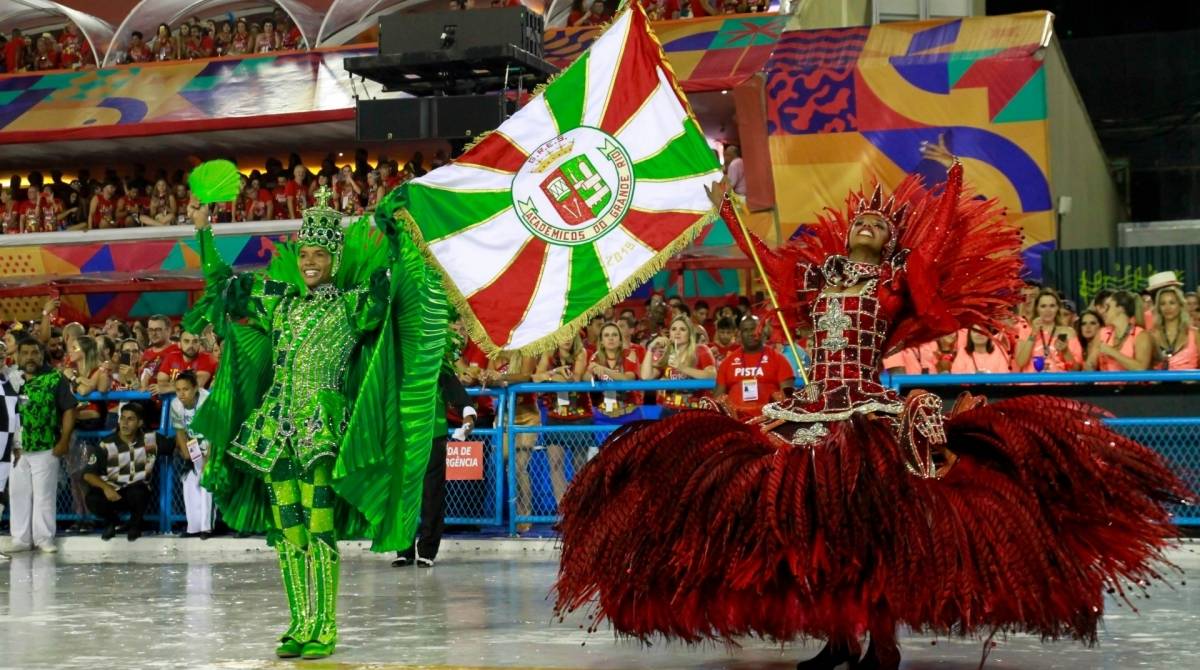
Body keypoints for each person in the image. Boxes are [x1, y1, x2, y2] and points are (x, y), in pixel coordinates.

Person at [554, 168, 1187, 670]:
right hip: (811, 408)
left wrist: (949, 194)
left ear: (890, 243)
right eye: (864, 220)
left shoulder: (893, 281)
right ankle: (837, 642)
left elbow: (930, 273)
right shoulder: (820, 275)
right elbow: (769, 263)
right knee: (815, 534)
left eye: (881, 226)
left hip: (863, 411)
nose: (868, 225)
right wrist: (729, 211)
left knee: (872, 532)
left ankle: (881, 644)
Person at [185, 179, 448, 659]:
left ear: (334, 260)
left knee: (318, 526)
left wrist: (395, 231)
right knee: (289, 531)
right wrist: (204, 232)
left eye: (319, 256)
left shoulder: (352, 306)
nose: (309, 262)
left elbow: (394, 287)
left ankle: (325, 625)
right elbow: (224, 287)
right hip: (275, 428)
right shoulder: (278, 301)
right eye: (304, 253)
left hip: (321, 430)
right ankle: (299, 621)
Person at [393, 329, 477, 568]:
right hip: (405, 438)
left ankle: (427, 550)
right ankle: (403, 548)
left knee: (432, 494)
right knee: (403, 495)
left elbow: (459, 397)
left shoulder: (439, 366)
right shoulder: (396, 365)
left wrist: (467, 418)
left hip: (433, 436)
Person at [8, 337, 76, 553]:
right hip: (15, 449)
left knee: (44, 495)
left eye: (34, 353)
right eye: (25, 353)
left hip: (47, 446)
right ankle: (20, 539)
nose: (30, 357)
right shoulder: (9, 379)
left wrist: (64, 440)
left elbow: (69, 409)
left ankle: (44, 538)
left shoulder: (55, 378)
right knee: (17, 494)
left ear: (41, 354)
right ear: (17, 355)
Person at [82, 403, 166, 541]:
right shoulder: (106, 443)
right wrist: (106, 488)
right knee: (92, 498)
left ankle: (135, 524)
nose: (125, 423)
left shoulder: (151, 439)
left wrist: (197, 453)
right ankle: (111, 522)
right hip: (112, 492)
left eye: (130, 419)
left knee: (140, 491)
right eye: (122, 418)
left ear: (140, 423)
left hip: (135, 492)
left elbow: (175, 444)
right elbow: (88, 474)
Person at [714, 315, 793, 420]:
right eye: (745, 330)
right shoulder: (727, 362)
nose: (751, 333)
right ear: (740, 334)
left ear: (762, 330)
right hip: (736, 421)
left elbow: (787, 400)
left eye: (754, 329)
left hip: (769, 420)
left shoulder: (779, 359)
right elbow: (717, 400)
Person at [640, 315, 716, 415]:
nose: (677, 332)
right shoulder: (666, 353)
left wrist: (682, 367)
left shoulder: (701, 350)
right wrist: (650, 348)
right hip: (669, 410)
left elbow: (711, 375)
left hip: (695, 410)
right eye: (674, 329)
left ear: (689, 334)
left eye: (682, 329)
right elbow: (646, 377)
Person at [170, 371, 214, 538]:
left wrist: (208, 460)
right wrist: (186, 453)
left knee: (206, 481)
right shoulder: (175, 404)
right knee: (189, 482)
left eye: (186, 389)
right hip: (193, 444)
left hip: (211, 444)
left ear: (196, 388)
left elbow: (215, 433)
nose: (181, 394)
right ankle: (193, 527)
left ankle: (206, 527)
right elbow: (180, 431)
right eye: (178, 390)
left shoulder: (208, 402)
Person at [1013, 288, 1082, 372]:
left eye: (1052, 306)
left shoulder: (1068, 332)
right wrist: (1033, 334)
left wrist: (1065, 351)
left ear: (1057, 308)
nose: (1048, 310)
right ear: (1037, 308)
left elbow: (1076, 369)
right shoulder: (1026, 330)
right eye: (1043, 306)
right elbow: (1020, 362)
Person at [1086, 290, 1152, 372]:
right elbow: (1090, 365)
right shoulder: (1102, 333)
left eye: (1108, 307)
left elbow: (1141, 369)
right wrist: (1090, 364)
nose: (1103, 311)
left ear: (1120, 309)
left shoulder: (1141, 335)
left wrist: (1112, 352)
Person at [1149, 285, 1197, 370]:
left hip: (1190, 382)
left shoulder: (1195, 334)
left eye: (1172, 303)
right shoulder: (1151, 335)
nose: (1167, 308)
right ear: (1159, 308)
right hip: (1159, 382)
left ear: (1180, 305)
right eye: (1163, 304)